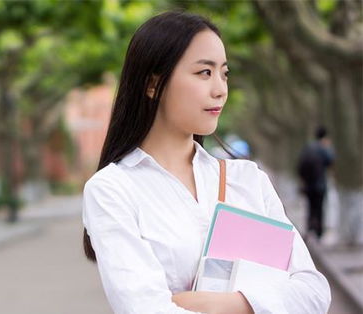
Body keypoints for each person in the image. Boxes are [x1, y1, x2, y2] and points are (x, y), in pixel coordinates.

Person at [82, 11, 330, 313]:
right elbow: (145, 307)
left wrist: (229, 304)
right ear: (152, 85)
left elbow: (313, 292)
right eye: (204, 73)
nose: (220, 89)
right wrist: (270, 302)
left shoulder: (248, 179)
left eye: (224, 73)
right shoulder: (113, 189)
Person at [297, 126, 335, 240]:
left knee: (310, 206)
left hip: (308, 185)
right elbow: (330, 161)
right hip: (320, 185)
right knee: (319, 208)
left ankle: (310, 228)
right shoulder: (323, 148)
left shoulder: (307, 148)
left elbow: (300, 166)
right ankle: (319, 232)